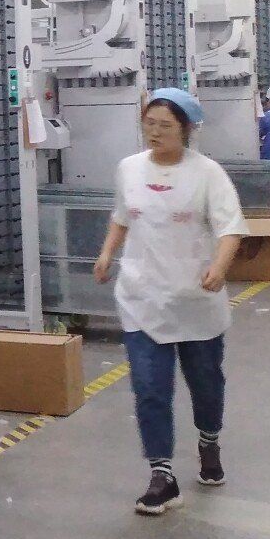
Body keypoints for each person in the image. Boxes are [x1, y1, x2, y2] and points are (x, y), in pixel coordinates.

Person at [93, 88, 249, 516]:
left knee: (205, 383)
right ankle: (161, 475)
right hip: (142, 297)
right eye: (149, 124)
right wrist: (108, 252)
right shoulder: (129, 169)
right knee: (149, 389)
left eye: (165, 126)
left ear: (186, 130)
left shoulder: (207, 174)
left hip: (195, 299)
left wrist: (219, 267)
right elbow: (122, 216)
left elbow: (231, 227)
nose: (154, 133)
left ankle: (209, 441)